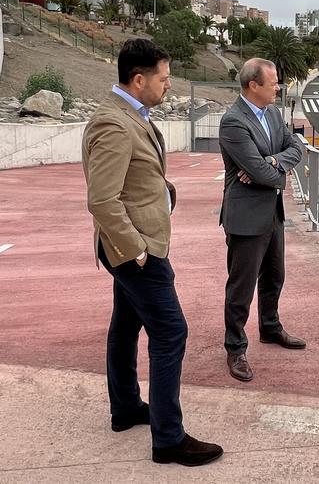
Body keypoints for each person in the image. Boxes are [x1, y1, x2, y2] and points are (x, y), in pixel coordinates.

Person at [82, 38, 222, 467]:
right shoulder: (114, 124)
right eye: (163, 79)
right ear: (138, 79)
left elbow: (135, 179)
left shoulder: (132, 116)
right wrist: (138, 251)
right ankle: (168, 439)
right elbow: (102, 199)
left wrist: (164, 191)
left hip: (138, 244)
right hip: (135, 251)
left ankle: (125, 409)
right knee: (170, 333)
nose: (169, 85)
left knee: (125, 327)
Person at [219, 58, 305, 383]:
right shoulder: (233, 122)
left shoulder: (271, 112)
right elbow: (259, 172)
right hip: (245, 217)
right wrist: (272, 170)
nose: (278, 87)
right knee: (241, 287)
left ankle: (270, 328)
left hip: (272, 212)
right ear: (253, 85)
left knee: (274, 277)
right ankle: (235, 347)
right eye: (273, 82)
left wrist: (272, 161)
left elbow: (295, 147)